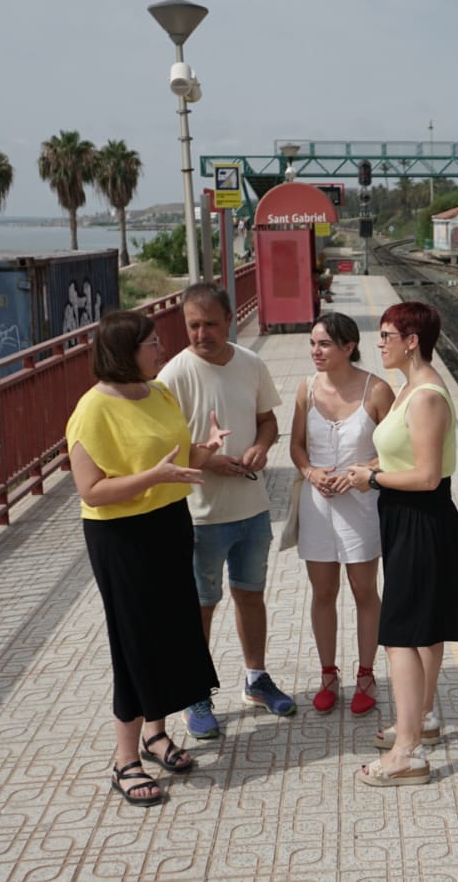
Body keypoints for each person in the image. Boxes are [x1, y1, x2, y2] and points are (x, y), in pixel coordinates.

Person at [65, 310, 224, 807]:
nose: (161, 350)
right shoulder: (92, 410)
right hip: (120, 536)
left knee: (171, 630)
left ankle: (156, 734)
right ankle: (124, 759)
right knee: (133, 639)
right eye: (152, 343)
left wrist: (205, 450)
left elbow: (174, 459)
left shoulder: (158, 392)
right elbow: (92, 489)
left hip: (169, 523)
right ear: (124, 351)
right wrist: (154, 478)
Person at [344, 302, 458, 786]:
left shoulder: (425, 397)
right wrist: (373, 466)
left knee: (399, 633)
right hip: (408, 520)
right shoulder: (408, 389)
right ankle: (420, 719)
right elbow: (406, 453)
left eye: (386, 335)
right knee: (424, 627)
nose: (379, 343)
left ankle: (407, 752)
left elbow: (424, 476)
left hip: (422, 519)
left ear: (411, 340)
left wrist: (372, 477)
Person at [158, 283, 296, 738]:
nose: (201, 334)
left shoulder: (251, 364)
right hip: (200, 514)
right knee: (201, 606)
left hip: (252, 508)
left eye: (210, 324)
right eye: (193, 325)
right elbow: (164, 450)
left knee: (250, 595)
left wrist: (260, 446)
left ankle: (256, 679)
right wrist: (207, 459)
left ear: (230, 320)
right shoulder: (173, 376)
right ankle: (196, 692)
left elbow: (268, 420)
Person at [288, 312, 395, 716]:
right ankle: (328, 675)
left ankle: (366, 675)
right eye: (313, 344)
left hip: (362, 505)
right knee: (323, 592)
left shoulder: (377, 390)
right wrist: (310, 472)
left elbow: (397, 448)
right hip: (318, 506)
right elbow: (296, 446)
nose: (315, 351)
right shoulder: (306, 389)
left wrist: (362, 473)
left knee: (364, 590)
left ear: (348, 347)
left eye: (324, 344)